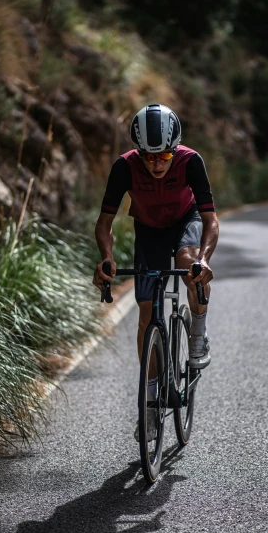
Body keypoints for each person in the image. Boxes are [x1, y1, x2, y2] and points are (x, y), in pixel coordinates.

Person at [93, 103, 219, 439]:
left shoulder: (190, 161)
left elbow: (210, 220)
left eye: (163, 156)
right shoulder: (125, 166)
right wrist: (106, 256)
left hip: (185, 221)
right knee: (146, 314)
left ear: (174, 150)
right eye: (148, 157)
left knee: (188, 262)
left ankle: (197, 334)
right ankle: (149, 407)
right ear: (138, 151)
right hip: (148, 230)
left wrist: (204, 260)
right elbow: (104, 223)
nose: (155, 163)